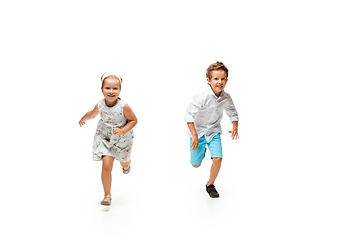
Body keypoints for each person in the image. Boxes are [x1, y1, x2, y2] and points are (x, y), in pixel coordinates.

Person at [79, 73, 137, 205]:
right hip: (105, 136)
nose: (111, 91)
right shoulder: (100, 104)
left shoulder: (124, 106)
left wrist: (122, 130)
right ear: (102, 90)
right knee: (106, 165)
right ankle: (107, 195)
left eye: (115, 88)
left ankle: (126, 165)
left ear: (120, 90)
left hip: (122, 138)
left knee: (124, 162)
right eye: (108, 88)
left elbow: (134, 120)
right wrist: (83, 118)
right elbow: (92, 114)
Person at [184, 61, 239, 198]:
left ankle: (210, 184)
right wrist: (195, 135)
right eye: (216, 79)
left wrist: (235, 126)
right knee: (195, 165)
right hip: (198, 132)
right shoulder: (201, 96)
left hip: (214, 131)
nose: (219, 82)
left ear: (227, 80)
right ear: (208, 80)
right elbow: (188, 116)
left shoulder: (226, 97)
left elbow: (232, 111)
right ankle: (201, 151)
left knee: (218, 159)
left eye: (223, 78)